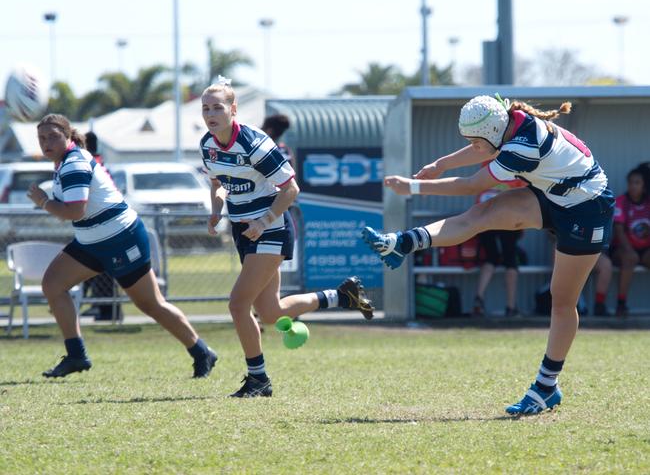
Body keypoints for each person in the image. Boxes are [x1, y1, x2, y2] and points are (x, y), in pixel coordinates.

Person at [363, 95, 614, 415]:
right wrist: (441, 164)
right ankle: (404, 243)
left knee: (562, 301)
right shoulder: (510, 123)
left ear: (492, 131)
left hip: (588, 209)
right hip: (557, 194)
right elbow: (486, 147)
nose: (473, 147)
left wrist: (413, 187)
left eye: (474, 141)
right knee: (481, 215)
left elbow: (470, 185)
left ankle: (546, 386)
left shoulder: (522, 146)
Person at [200, 77, 374, 398]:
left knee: (238, 305)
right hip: (244, 230)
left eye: (218, 107)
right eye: (206, 108)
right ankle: (341, 296)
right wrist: (216, 209)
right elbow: (217, 183)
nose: (210, 114)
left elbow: (291, 189)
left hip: (272, 229)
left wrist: (264, 220)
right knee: (270, 313)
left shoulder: (255, 143)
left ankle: (258, 379)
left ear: (233, 110)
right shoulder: (208, 145)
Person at [26, 114, 218, 379]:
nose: (46, 143)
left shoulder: (73, 164)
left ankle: (201, 351)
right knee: (53, 285)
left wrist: (44, 201)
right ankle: (76, 355)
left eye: (53, 136)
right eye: (42, 138)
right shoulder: (64, 162)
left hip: (120, 239)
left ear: (68, 137)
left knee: (151, 304)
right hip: (92, 242)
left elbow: (75, 211)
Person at [79, 130, 122, 321]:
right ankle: (100, 306)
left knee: (103, 271)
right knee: (92, 268)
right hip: (99, 225)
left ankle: (108, 310)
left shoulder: (91, 162)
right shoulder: (99, 161)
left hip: (102, 226)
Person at [473, 167, 526, 317]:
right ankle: (510, 307)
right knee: (510, 261)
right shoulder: (517, 168)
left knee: (491, 258)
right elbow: (523, 197)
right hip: (508, 216)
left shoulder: (486, 167)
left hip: (483, 215)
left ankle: (479, 298)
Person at [611, 166, 650, 317]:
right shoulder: (621, 202)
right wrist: (630, 251)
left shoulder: (648, 202)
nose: (633, 186)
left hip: (645, 250)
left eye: (637, 182)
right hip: (623, 249)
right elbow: (619, 231)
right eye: (631, 183)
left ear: (644, 185)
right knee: (630, 258)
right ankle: (621, 304)